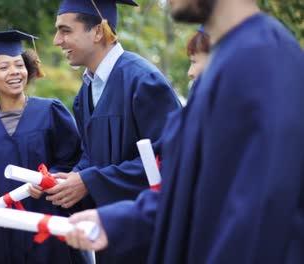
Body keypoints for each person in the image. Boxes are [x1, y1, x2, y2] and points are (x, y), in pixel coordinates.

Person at [65, 0, 304, 263]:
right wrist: (118, 221)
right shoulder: (226, 63)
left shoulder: (263, 59)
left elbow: (259, 214)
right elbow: (200, 193)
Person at [47, 0, 181, 262]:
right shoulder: (85, 92)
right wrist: (70, 180)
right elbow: (91, 156)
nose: (56, 40)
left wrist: (90, 181)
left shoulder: (144, 81)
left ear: (98, 32)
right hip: (109, 233)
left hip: (147, 236)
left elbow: (169, 162)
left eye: (65, 31)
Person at [0, 30, 85, 264]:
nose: (14, 72)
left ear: (29, 69)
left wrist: (47, 178)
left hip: (48, 227)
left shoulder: (51, 112)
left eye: (19, 65)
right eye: (3, 67)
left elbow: (73, 161)